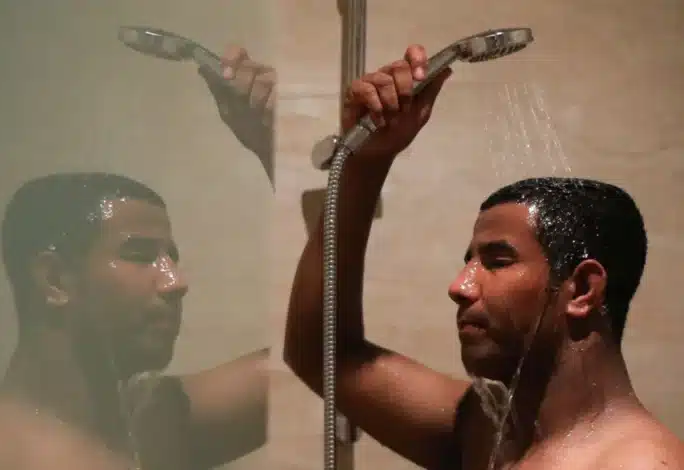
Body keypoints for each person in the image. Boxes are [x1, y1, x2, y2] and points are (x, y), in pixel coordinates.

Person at [284, 44, 684, 470]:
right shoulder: (490, 432)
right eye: (469, 262)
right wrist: (366, 163)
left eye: (497, 262)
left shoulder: (637, 464)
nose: (459, 286)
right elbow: (324, 354)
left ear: (583, 289)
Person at [0, 47, 273, 470]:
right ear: (55, 280)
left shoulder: (155, 424)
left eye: (170, 257)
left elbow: (327, 354)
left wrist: (275, 146)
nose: (176, 281)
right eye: (140, 255)